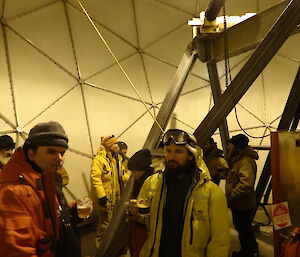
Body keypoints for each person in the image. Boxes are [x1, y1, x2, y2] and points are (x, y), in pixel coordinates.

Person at [128, 129, 230, 257]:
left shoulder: (212, 193)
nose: (171, 156)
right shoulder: (152, 184)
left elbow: (219, 241)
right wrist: (135, 213)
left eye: (178, 152)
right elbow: (147, 221)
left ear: (191, 155)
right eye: (168, 151)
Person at [0, 121, 83, 257]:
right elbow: (18, 250)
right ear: (31, 154)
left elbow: (45, 216)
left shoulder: (44, 178)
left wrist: (70, 210)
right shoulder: (15, 192)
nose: (59, 159)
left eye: (62, 153)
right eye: (51, 152)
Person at [90, 135, 129, 246]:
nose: (117, 146)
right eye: (115, 144)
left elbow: (122, 174)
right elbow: (95, 178)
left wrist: (133, 179)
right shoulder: (99, 160)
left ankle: (110, 247)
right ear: (109, 146)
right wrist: (101, 196)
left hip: (116, 199)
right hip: (105, 200)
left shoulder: (115, 159)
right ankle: (100, 249)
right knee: (104, 225)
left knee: (113, 224)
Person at [225, 134, 259, 257]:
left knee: (244, 230)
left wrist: (232, 195)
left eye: (231, 145)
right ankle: (248, 251)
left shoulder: (245, 161)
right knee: (243, 230)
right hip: (240, 204)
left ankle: (249, 253)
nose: (228, 147)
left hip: (243, 205)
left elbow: (246, 184)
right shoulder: (239, 160)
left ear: (237, 147)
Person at [127, 149, 153, 257]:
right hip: (136, 224)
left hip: (145, 227)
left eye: (135, 172)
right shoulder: (138, 180)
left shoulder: (151, 182)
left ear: (144, 170)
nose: (133, 175)